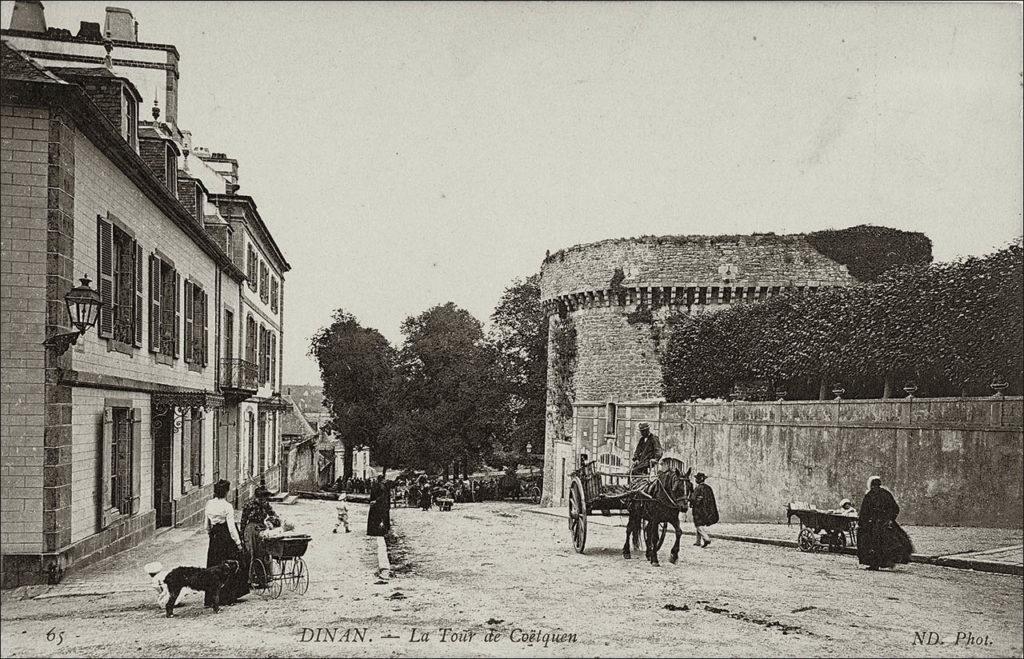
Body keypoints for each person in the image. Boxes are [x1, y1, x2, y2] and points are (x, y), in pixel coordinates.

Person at [204, 479, 248, 606]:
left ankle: (211, 599)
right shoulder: (227, 506)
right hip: (225, 536)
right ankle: (227, 597)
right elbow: (231, 527)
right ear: (226, 492)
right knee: (229, 565)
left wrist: (210, 533)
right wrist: (238, 543)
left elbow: (206, 524)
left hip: (214, 536)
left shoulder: (209, 503)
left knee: (213, 565)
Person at [857, 476, 913, 570]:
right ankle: (875, 564)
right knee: (874, 543)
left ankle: (879, 563)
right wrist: (863, 522)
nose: (875, 488)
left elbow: (894, 508)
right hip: (874, 523)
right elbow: (864, 510)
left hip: (881, 523)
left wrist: (889, 519)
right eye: (874, 486)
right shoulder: (876, 494)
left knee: (881, 543)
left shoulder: (881, 494)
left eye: (876, 486)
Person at [241, 483, 281, 584]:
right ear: (257, 497)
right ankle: (250, 578)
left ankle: (263, 577)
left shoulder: (266, 504)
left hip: (262, 528)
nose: (263, 500)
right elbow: (243, 520)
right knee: (251, 553)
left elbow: (274, 515)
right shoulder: (249, 505)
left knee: (264, 552)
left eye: (265, 497)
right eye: (262, 497)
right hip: (251, 529)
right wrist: (242, 535)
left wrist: (273, 521)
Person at [690, 472, 719, 548]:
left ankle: (706, 538)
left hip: (698, 509)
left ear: (699, 480)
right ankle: (698, 541)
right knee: (700, 524)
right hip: (706, 510)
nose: (696, 480)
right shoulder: (708, 488)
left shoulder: (698, 488)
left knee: (698, 525)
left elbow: (693, 498)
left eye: (696, 479)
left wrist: (690, 500)